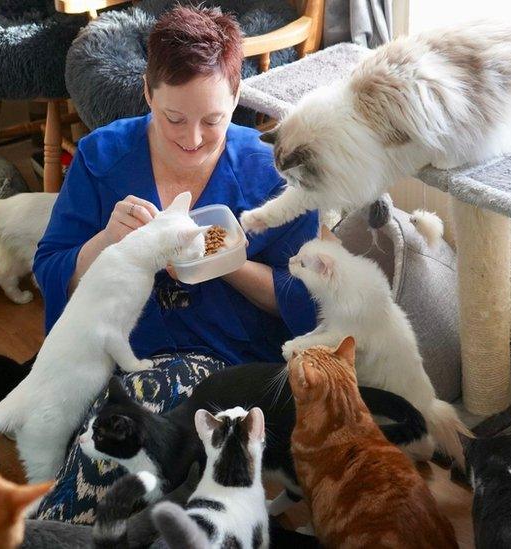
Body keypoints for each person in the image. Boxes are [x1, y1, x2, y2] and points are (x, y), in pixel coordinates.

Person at [31, 5, 318, 522]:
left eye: (213, 120)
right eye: (173, 118)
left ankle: (52, 529)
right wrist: (104, 244)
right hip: (113, 357)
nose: (191, 139)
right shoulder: (102, 157)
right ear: (147, 93)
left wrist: (228, 262)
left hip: (223, 367)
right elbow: (50, 269)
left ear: (238, 97)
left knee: (126, 437)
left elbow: (307, 303)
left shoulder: (273, 177)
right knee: (112, 447)